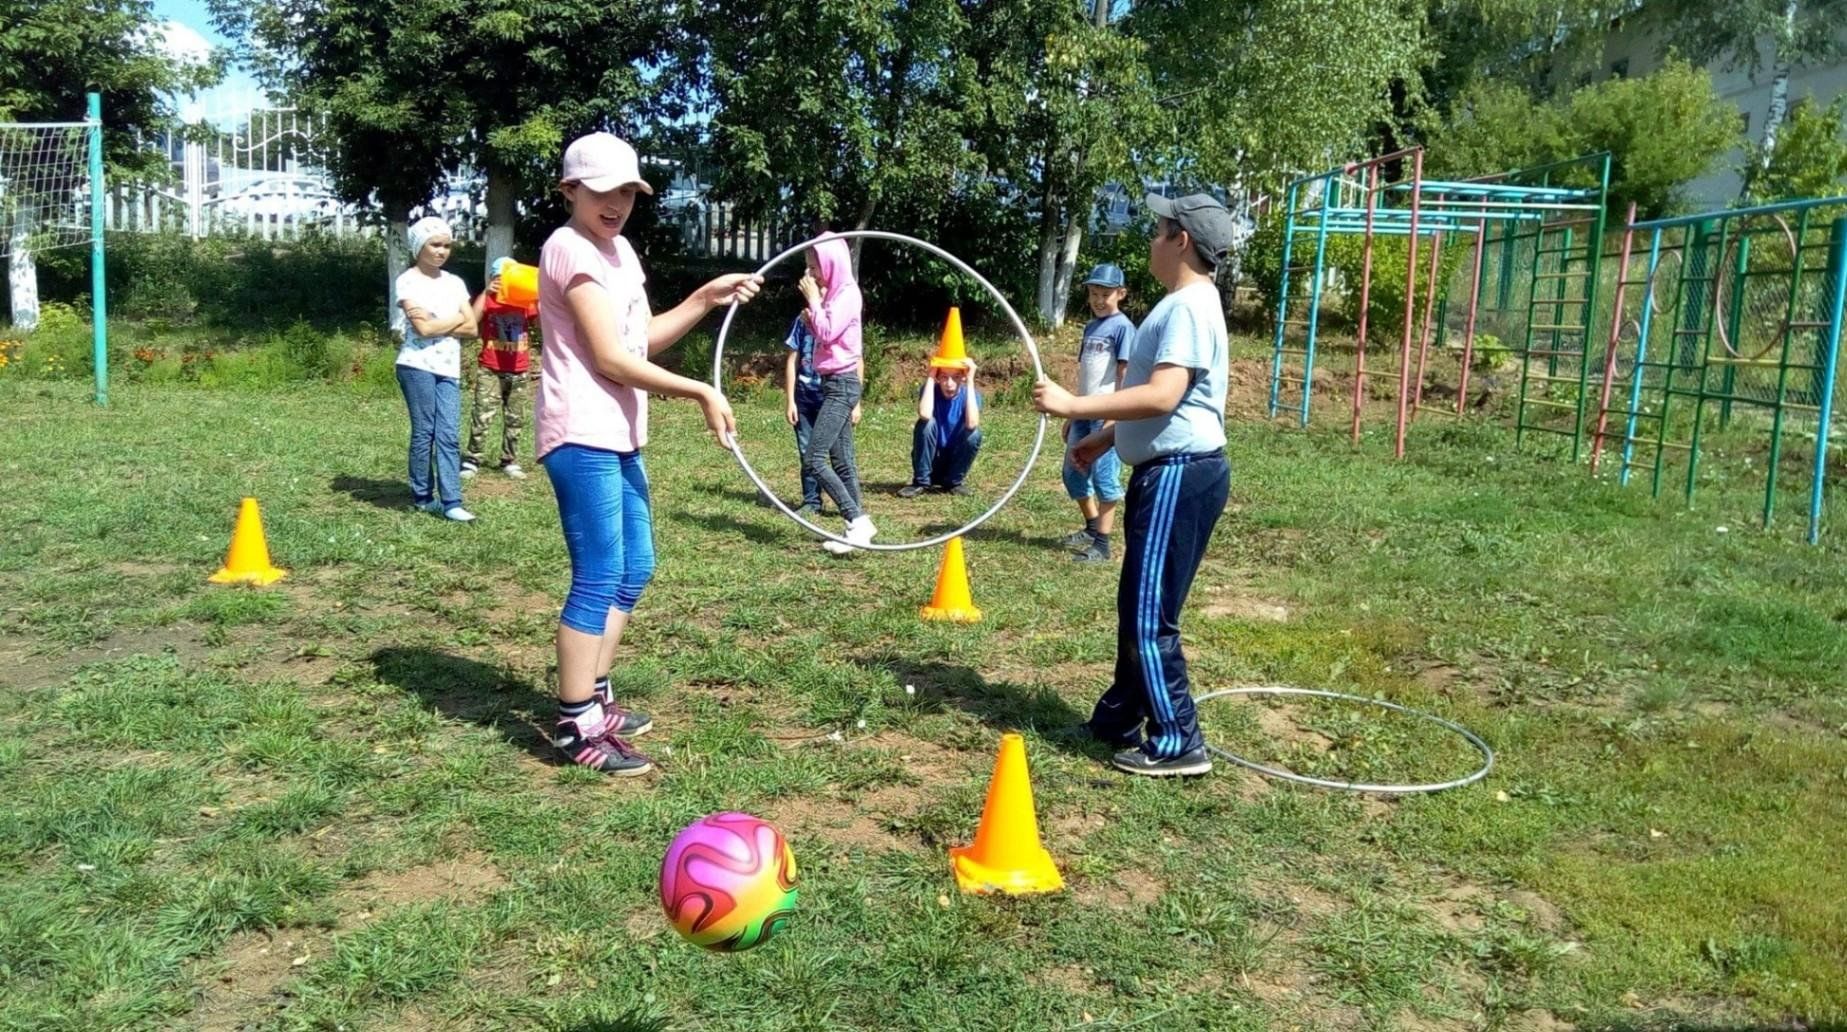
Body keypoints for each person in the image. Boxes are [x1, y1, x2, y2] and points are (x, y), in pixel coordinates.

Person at [537, 131, 761, 775]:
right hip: (580, 432)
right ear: (570, 190)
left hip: (619, 433)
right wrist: (699, 389)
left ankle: (596, 700)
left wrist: (700, 299)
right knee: (600, 572)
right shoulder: (569, 248)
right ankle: (574, 725)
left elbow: (636, 342)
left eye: (627, 193)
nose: (616, 204)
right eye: (602, 192)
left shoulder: (620, 251)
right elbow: (609, 359)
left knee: (636, 566)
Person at [1032, 194, 1235, 777]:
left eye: (1158, 229)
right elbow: (1162, 397)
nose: (1150, 238)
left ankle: (1178, 739)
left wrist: (1077, 404)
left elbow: (1165, 394)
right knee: (1139, 604)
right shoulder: (1181, 304)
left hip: (1180, 472)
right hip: (1168, 469)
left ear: (1182, 241)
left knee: (1150, 614)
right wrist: (1106, 438)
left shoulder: (1190, 307)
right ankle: (1120, 716)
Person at [394, 216, 478, 522]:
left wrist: (438, 322)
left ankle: (452, 501)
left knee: (449, 433)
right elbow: (422, 329)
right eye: (435, 244)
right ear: (420, 246)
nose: (442, 251)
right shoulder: (408, 281)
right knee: (425, 431)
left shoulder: (455, 283)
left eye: (446, 245)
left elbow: (471, 327)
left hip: (448, 367)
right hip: (416, 365)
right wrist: (453, 320)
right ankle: (423, 495)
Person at [796, 235, 874, 554]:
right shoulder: (834, 295)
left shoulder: (846, 294)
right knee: (841, 461)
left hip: (842, 384)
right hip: (833, 382)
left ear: (830, 264)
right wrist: (811, 319)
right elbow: (828, 339)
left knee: (815, 458)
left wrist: (814, 303)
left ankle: (857, 519)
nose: (812, 274)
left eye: (815, 266)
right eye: (810, 267)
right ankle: (855, 528)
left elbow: (829, 333)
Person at [1061, 263, 1135, 563]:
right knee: (1072, 471)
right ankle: (1091, 526)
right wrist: (1071, 412)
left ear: (1121, 294)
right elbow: (1086, 375)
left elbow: (1125, 373)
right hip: (1083, 411)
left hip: (1107, 414)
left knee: (1105, 476)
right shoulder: (1090, 327)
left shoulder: (1123, 328)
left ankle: (1102, 544)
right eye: (1093, 293)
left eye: (1105, 294)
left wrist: (1114, 415)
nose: (1098, 300)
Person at [464, 257, 537, 480]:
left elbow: (540, 324)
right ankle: (472, 459)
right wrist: (486, 293)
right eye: (498, 277)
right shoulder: (489, 299)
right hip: (490, 367)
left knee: (515, 417)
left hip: (519, 368)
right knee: (482, 414)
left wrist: (538, 297)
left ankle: (509, 460)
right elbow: (473, 320)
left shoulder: (525, 301)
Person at [898, 358, 982, 497]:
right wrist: (931, 375)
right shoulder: (930, 390)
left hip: (953, 461)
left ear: (962, 377)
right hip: (931, 460)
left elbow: (972, 423)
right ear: (937, 377)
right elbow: (924, 414)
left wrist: (970, 381)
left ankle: (954, 482)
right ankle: (921, 482)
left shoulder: (971, 394)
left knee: (974, 434)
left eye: (955, 377)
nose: (950, 384)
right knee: (926, 424)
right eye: (944, 377)